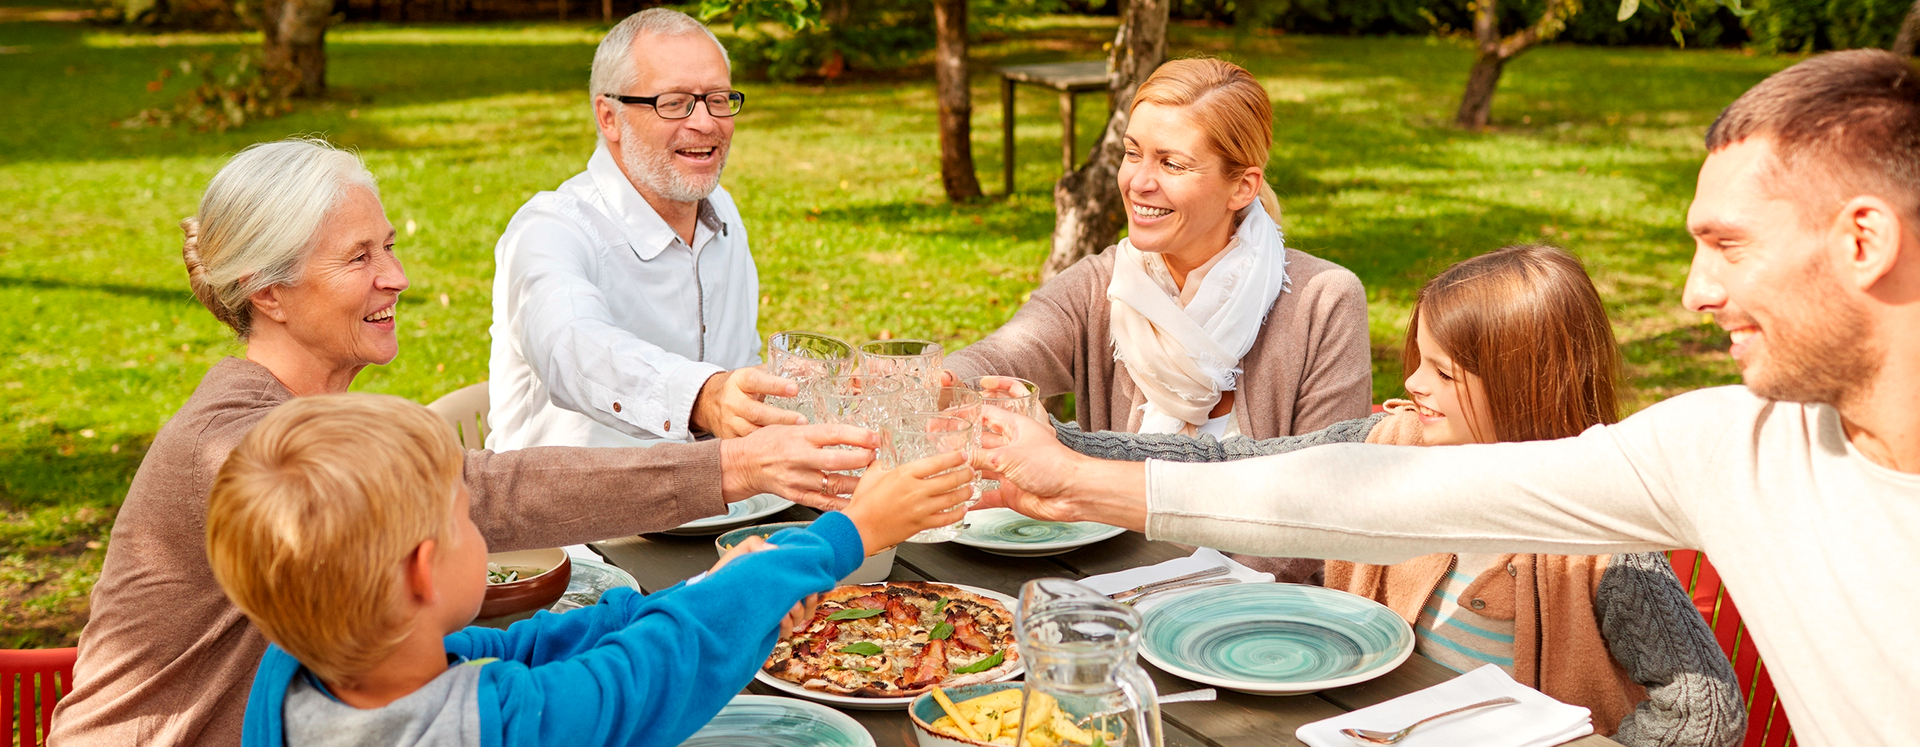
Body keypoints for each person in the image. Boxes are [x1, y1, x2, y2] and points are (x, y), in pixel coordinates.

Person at [972, 50, 1920, 747]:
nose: (1694, 294)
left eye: (1731, 244)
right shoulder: (1723, 448)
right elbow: (1319, 482)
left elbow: (1704, 710)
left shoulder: (1679, 497)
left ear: (1864, 240)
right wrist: (1070, 468)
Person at [48, 138, 874, 747]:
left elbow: (488, 641)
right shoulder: (237, 449)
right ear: (268, 291)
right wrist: (732, 464)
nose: (397, 277)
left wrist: (705, 588)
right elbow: (490, 492)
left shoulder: (297, 420)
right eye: (360, 257)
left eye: (391, 246)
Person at [1050, 245, 1742, 746]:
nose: (1414, 383)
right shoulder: (1390, 443)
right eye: (1418, 359)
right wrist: (1063, 445)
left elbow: (1707, 714)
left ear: (1524, 390)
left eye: (1443, 371)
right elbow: (1227, 462)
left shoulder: (1600, 537)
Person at [209, 393, 972, 747]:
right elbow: (658, 666)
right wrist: (848, 533)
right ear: (422, 573)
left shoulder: (301, 673)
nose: (482, 525)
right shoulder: (501, 729)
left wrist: (706, 588)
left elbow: (518, 652)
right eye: (465, 515)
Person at [942, 57, 1371, 442]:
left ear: (1242, 187)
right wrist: (933, 381)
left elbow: (1324, 483)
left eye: (1171, 163)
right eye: (1133, 153)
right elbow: (1000, 355)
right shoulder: (1100, 286)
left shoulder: (1324, 302)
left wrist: (1073, 452)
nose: (1138, 182)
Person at [489, 8, 791, 451]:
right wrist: (704, 397)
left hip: (721, 505)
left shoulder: (720, 212)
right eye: (673, 103)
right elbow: (573, 347)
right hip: (582, 515)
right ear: (608, 117)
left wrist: (816, 393)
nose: (705, 122)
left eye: (719, 99)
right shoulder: (550, 230)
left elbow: (741, 368)